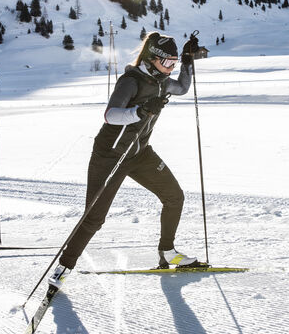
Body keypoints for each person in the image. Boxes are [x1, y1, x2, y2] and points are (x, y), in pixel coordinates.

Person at [48, 31, 201, 289]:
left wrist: (187, 60)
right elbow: (111, 115)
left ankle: (167, 251)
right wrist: (140, 110)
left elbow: (183, 88)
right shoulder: (131, 81)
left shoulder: (163, 82)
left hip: (139, 152)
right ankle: (64, 266)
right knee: (95, 218)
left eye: (173, 64)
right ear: (153, 58)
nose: (170, 68)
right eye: (168, 63)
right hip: (110, 155)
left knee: (175, 196)